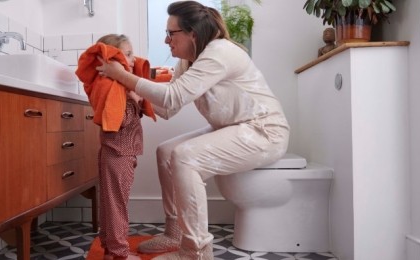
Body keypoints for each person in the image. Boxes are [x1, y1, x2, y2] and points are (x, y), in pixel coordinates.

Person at [95, 1, 290, 259]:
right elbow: (167, 109)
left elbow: (172, 97)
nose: (166, 41)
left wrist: (123, 76)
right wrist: (134, 95)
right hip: (236, 128)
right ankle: (174, 233)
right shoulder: (188, 62)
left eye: (170, 33)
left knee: (185, 156)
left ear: (192, 34)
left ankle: (195, 251)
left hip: (264, 130)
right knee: (166, 152)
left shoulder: (219, 52)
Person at [77, 34, 156, 260]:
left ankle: (110, 249)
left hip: (117, 152)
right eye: (127, 54)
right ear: (112, 58)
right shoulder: (113, 87)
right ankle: (119, 253)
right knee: (116, 206)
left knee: (110, 203)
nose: (133, 60)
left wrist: (133, 95)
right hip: (118, 153)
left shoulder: (116, 85)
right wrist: (135, 98)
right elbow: (117, 121)